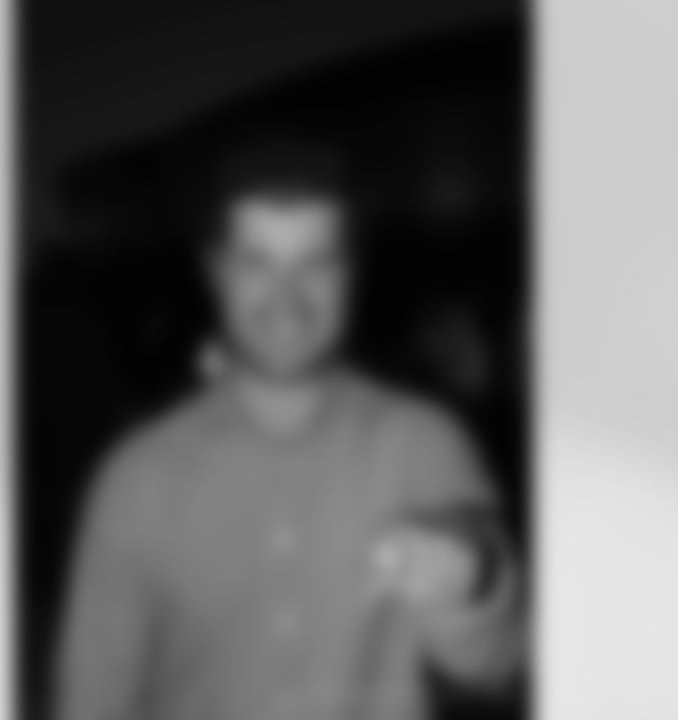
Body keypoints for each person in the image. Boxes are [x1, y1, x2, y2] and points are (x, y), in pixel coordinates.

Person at [53, 136, 526, 720]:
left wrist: (476, 579)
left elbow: (502, 667)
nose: (287, 297)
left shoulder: (426, 442)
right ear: (216, 271)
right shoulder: (134, 480)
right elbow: (93, 700)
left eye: (316, 263)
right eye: (257, 263)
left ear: (350, 273)